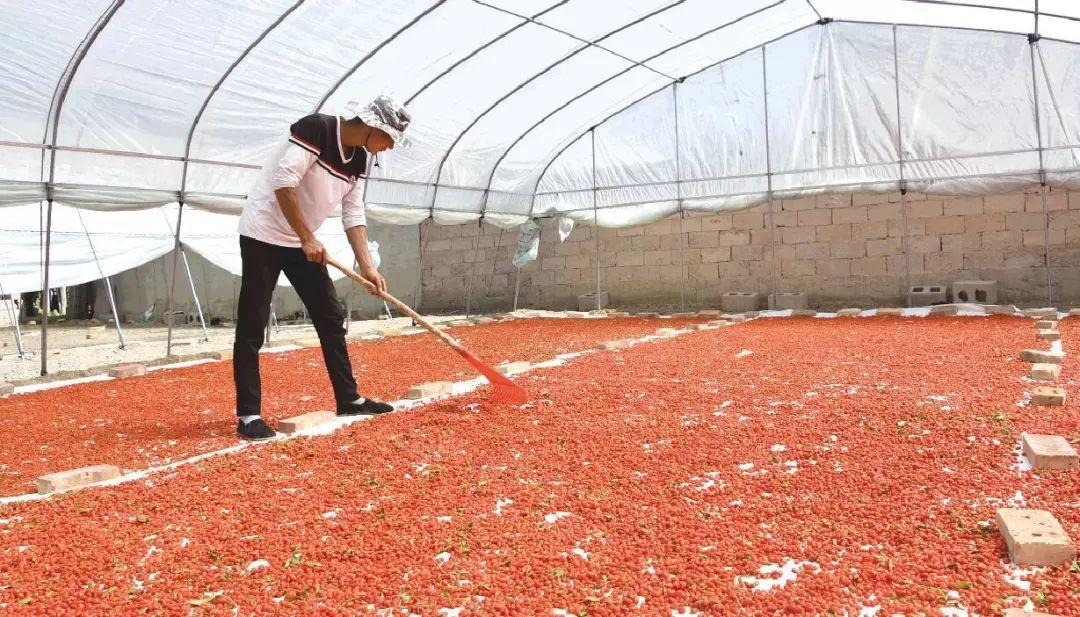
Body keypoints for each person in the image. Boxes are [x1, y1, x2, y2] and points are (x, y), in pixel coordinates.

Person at [232, 95, 412, 440]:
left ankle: (349, 398)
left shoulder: (359, 160)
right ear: (374, 126)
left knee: (330, 316)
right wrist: (306, 237)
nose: (388, 148)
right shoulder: (316, 128)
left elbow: (353, 213)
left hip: (302, 241)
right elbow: (283, 181)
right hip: (264, 234)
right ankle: (249, 415)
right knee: (253, 321)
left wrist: (367, 266)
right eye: (389, 140)